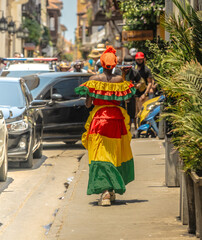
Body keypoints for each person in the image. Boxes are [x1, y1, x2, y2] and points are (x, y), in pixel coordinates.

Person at [75, 46, 136, 206]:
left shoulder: (94, 80)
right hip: (117, 122)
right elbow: (127, 100)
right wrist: (124, 76)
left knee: (100, 156)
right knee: (115, 155)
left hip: (100, 122)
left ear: (101, 63)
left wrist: (92, 98)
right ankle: (112, 189)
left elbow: (88, 105)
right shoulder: (120, 81)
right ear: (114, 64)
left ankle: (105, 193)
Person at [121, 55, 142, 130]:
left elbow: (140, 82)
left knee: (132, 114)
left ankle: (132, 129)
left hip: (132, 96)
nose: (127, 68)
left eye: (129, 66)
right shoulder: (118, 72)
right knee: (122, 114)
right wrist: (123, 72)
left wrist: (137, 86)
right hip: (121, 97)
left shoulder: (135, 72)